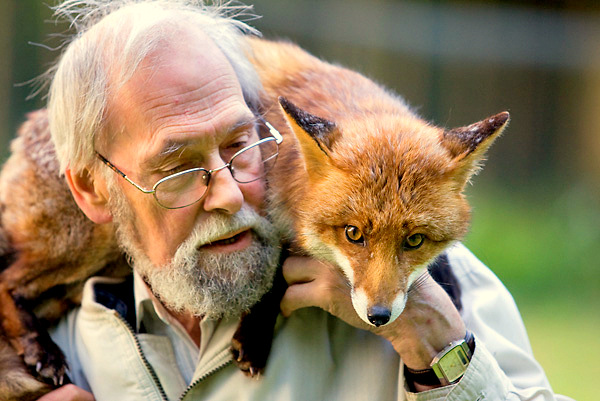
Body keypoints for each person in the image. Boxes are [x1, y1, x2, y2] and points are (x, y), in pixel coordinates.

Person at [37, 0, 571, 400]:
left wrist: (439, 347)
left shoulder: (443, 290)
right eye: (178, 166)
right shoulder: (55, 320)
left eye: (239, 144)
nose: (226, 192)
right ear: (91, 189)